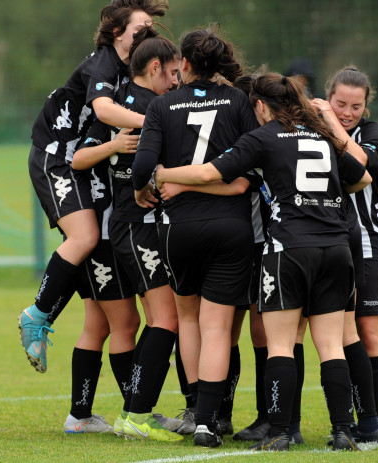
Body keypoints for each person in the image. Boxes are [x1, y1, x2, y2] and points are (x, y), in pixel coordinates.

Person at [153, 72, 372, 451]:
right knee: (331, 345)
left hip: (289, 249)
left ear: (260, 106)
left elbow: (210, 172)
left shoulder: (263, 137)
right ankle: (342, 431)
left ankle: (281, 432)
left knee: (281, 344)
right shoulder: (321, 135)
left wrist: (162, 174)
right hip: (335, 248)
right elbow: (362, 178)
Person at [20, 0, 169, 374]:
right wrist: (157, 123)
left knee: (98, 299)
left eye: (151, 28)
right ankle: (36, 314)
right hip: (58, 155)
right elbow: (103, 111)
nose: (148, 35)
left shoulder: (131, 69)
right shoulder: (104, 62)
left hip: (88, 163)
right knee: (84, 236)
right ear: (118, 33)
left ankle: (81, 415)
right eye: (141, 29)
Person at [131, 24, 258, 448]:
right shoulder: (239, 100)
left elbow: (141, 169)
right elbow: (244, 176)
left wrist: (146, 187)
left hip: (179, 229)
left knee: (188, 319)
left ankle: (192, 409)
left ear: (183, 64)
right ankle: (208, 422)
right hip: (232, 227)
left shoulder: (162, 107)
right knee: (219, 328)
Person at [71, 28, 184, 441]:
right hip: (135, 225)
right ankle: (137, 414)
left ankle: (138, 411)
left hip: (145, 225)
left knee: (156, 319)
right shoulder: (139, 107)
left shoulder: (135, 103)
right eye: (172, 73)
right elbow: (79, 158)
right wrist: (115, 145)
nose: (176, 81)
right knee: (165, 319)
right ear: (154, 68)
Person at [312, 65, 378, 442]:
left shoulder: (372, 133)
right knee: (341, 333)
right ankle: (363, 419)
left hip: (369, 241)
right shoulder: (311, 130)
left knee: (369, 330)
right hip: (330, 244)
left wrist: (331, 123)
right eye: (339, 104)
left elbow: (365, 164)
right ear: (328, 96)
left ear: (366, 106)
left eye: (355, 107)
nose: (347, 112)